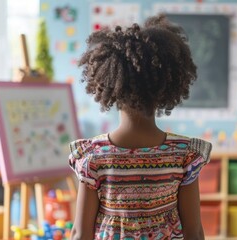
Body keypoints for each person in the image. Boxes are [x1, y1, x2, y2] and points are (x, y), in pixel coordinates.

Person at [68, 14, 212, 240]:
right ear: (167, 86)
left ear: (109, 85)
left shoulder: (93, 157)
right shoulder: (184, 155)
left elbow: (80, 233)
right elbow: (194, 231)